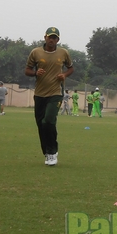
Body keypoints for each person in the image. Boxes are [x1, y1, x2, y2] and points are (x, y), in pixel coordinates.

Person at [25, 27, 74, 166]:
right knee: (41, 124)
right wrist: (35, 73)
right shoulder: (36, 52)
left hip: (56, 93)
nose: (52, 40)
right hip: (40, 94)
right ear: (45, 37)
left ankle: (53, 151)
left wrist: (64, 75)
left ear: (58, 39)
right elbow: (27, 70)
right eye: (49, 37)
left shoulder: (63, 53)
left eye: (55, 38)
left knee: (48, 121)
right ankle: (47, 152)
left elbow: (71, 68)